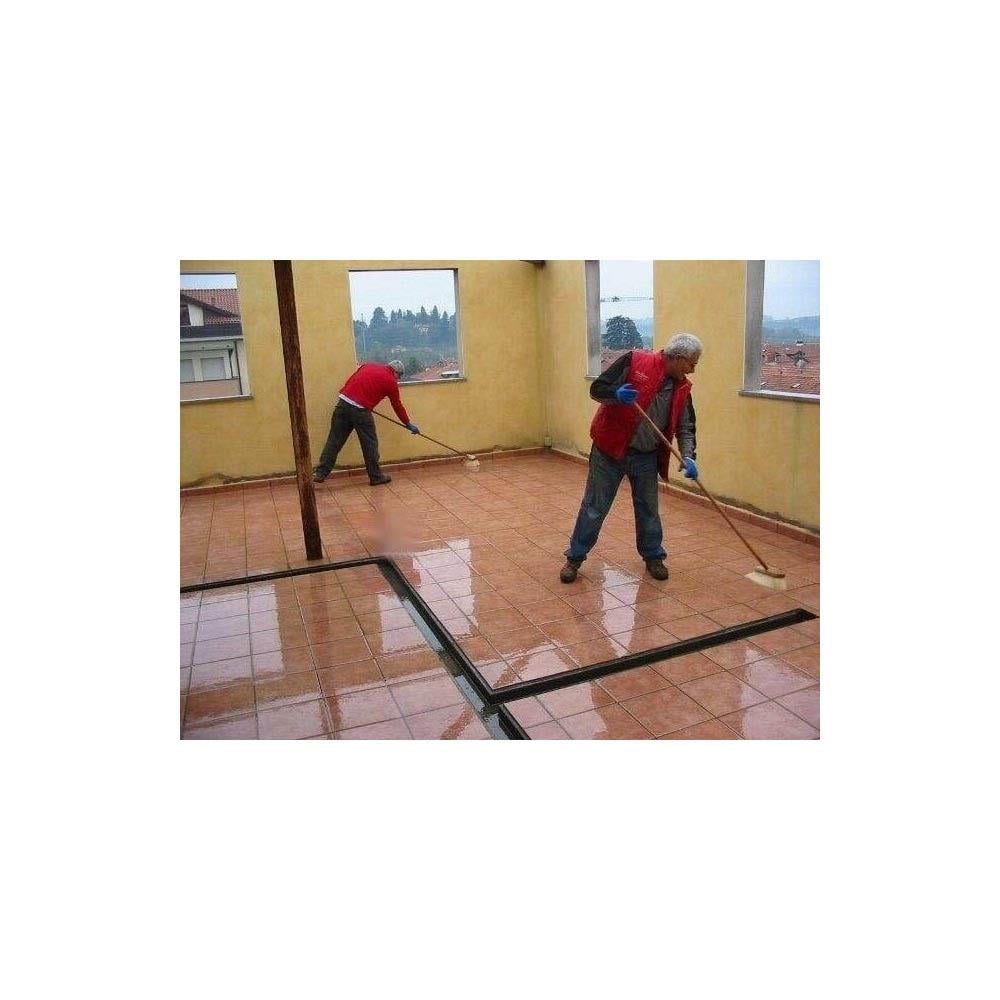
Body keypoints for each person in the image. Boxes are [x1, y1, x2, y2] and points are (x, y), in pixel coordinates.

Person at [560, 332, 703, 584]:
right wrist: (616, 394)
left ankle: (653, 556)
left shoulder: (683, 388)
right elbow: (597, 388)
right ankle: (574, 557)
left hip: (646, 457)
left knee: (648, 509)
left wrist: (689, 457)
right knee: (594, 507)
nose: (692, 370)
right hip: (609, 450)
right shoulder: (635, 361)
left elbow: (686, 427)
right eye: (691, 364)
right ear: (679, 358)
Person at [313, 359, 420, 486]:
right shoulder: (391, 381)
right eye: (399, 377)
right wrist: (408, 423)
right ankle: (376, 477)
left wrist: (358, 400)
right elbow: (397, 405)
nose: (398, 380)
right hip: (361, 412)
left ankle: (320, 473)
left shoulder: (367, 366)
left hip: (343, 404)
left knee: (334, 441)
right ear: (396, 372)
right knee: (370, 444)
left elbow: (351, 381)